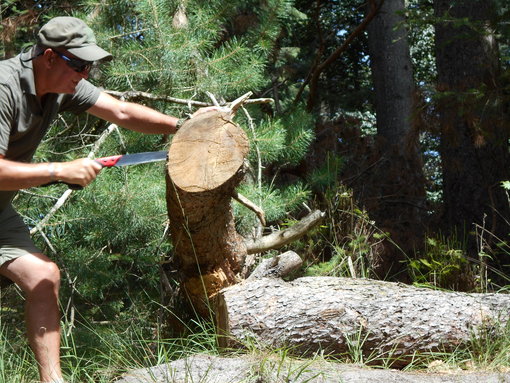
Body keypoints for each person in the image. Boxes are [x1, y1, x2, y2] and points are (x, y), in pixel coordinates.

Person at [0, 16, 207, 383]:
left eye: (89, 65)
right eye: (79, 65)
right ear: (49, 58)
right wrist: (58, 170)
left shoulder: (64, 85)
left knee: (43, 277)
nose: (85, 73)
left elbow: (122, 111)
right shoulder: (4, 87)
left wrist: (185, 126)